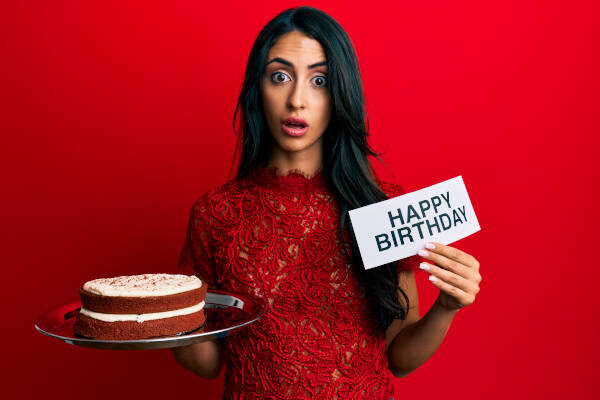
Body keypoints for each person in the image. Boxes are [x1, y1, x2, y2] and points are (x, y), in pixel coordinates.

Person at [171, 6, 482, 400]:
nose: (297, 99)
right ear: (257, 86)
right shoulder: (215, 213)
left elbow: (399, 357)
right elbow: (208, 362)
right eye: (280, 77)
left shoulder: (382, 207)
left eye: (320, 80)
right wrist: (165, 323)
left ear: (340, 94)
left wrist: (448, 306)